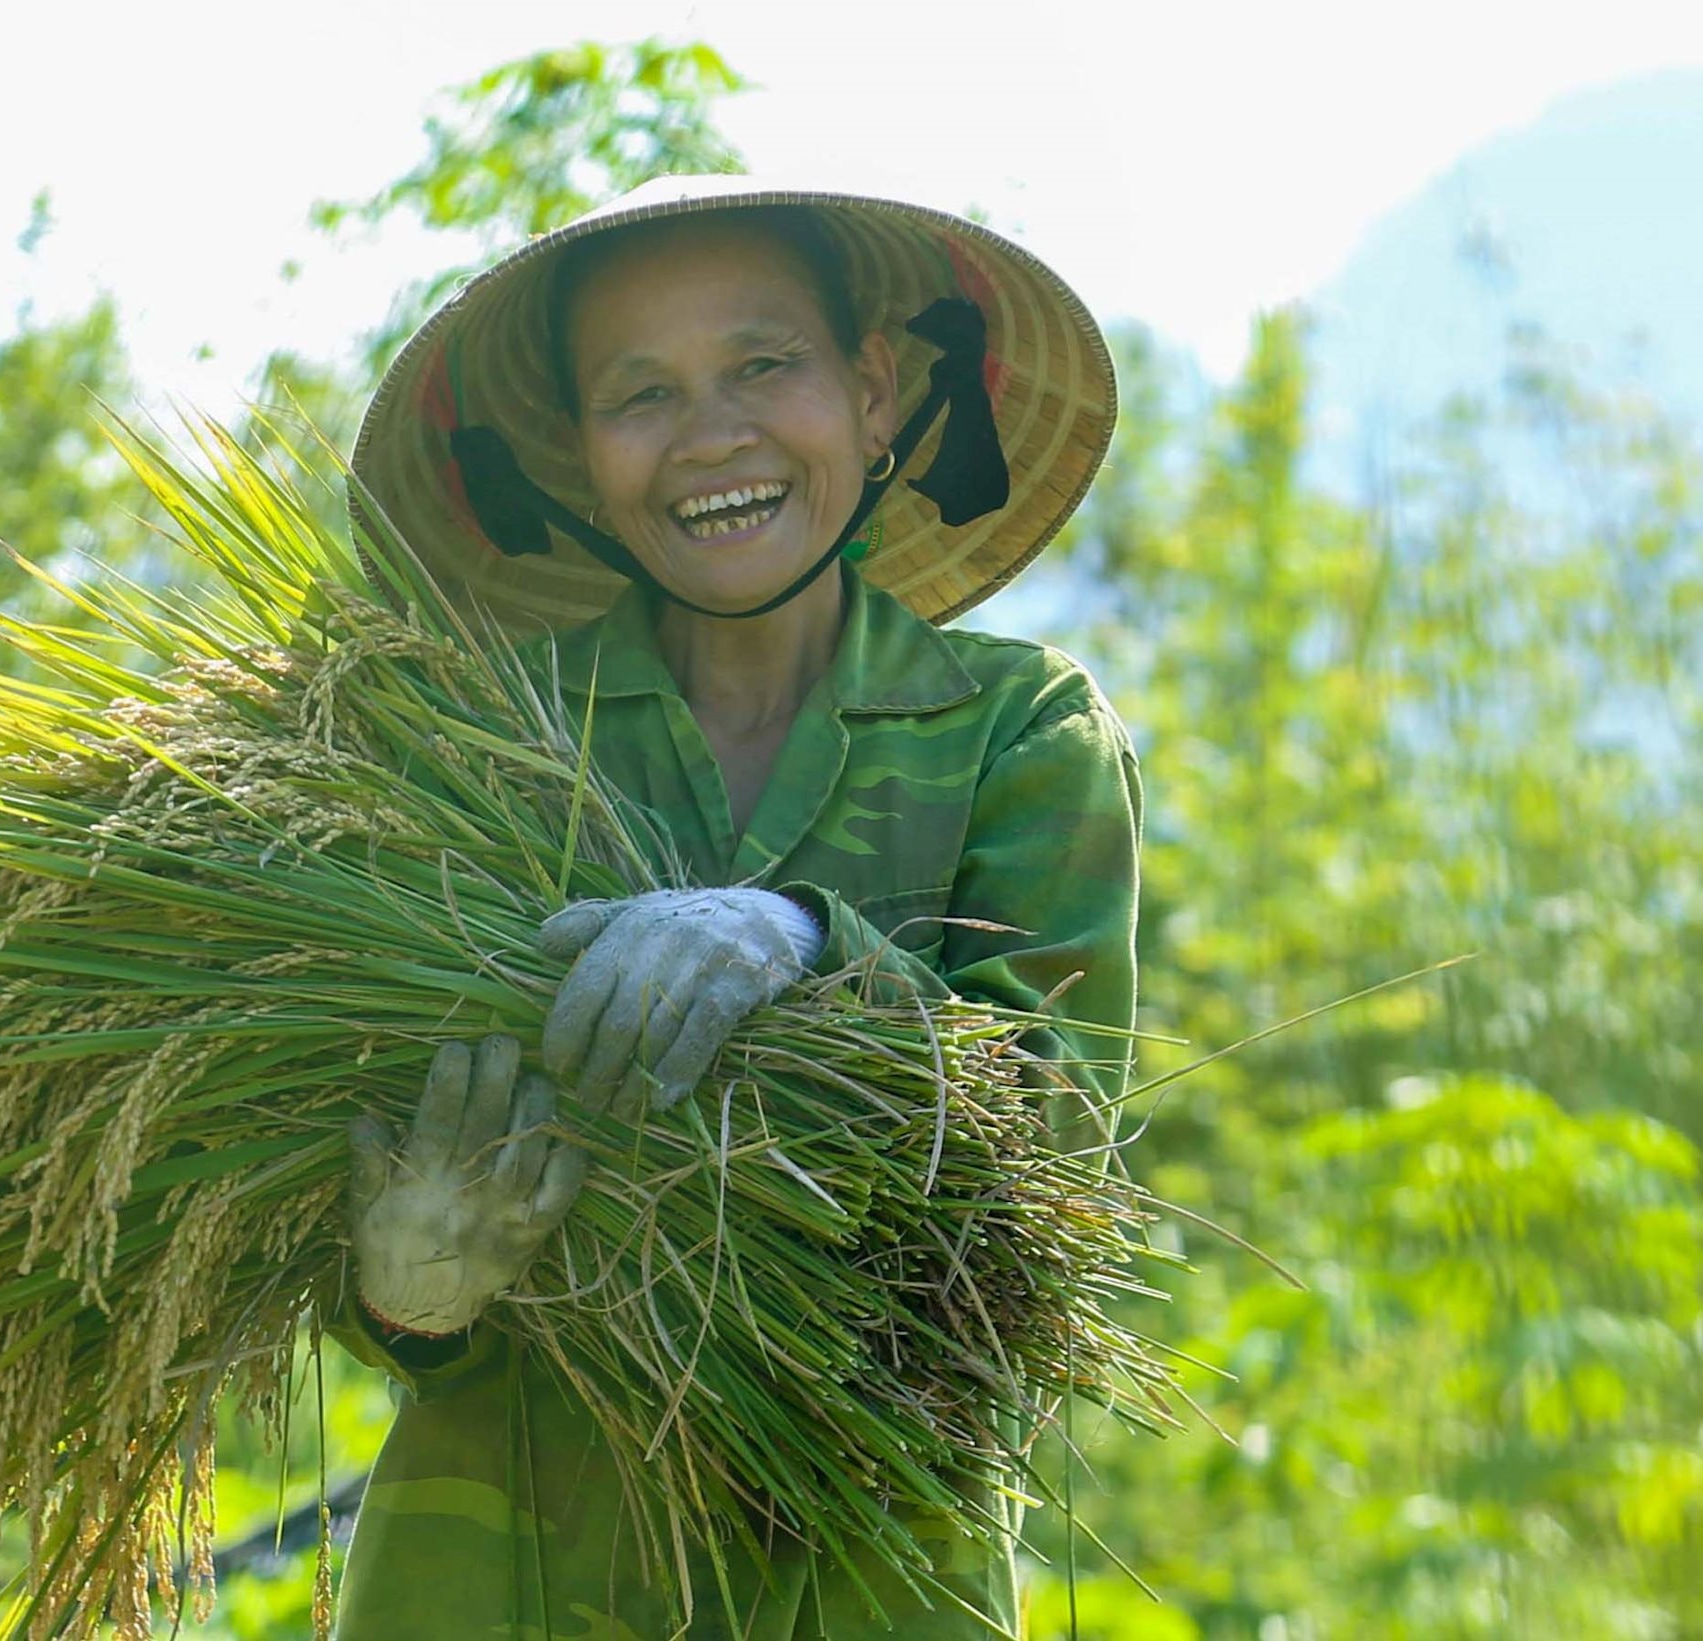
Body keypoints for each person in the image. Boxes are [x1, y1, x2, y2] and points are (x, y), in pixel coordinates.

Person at [330, 176, 1143, 1639]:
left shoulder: (1017, 733)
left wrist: (816, 949)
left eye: (765, 366)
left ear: (876, 393)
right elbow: (322, 1156)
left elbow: (1056, 1162)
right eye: (641, 394)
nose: (713, 436)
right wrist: (406, 1293)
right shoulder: (482, 749)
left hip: (871, 1567)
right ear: (579, 460)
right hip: (497, 1568)